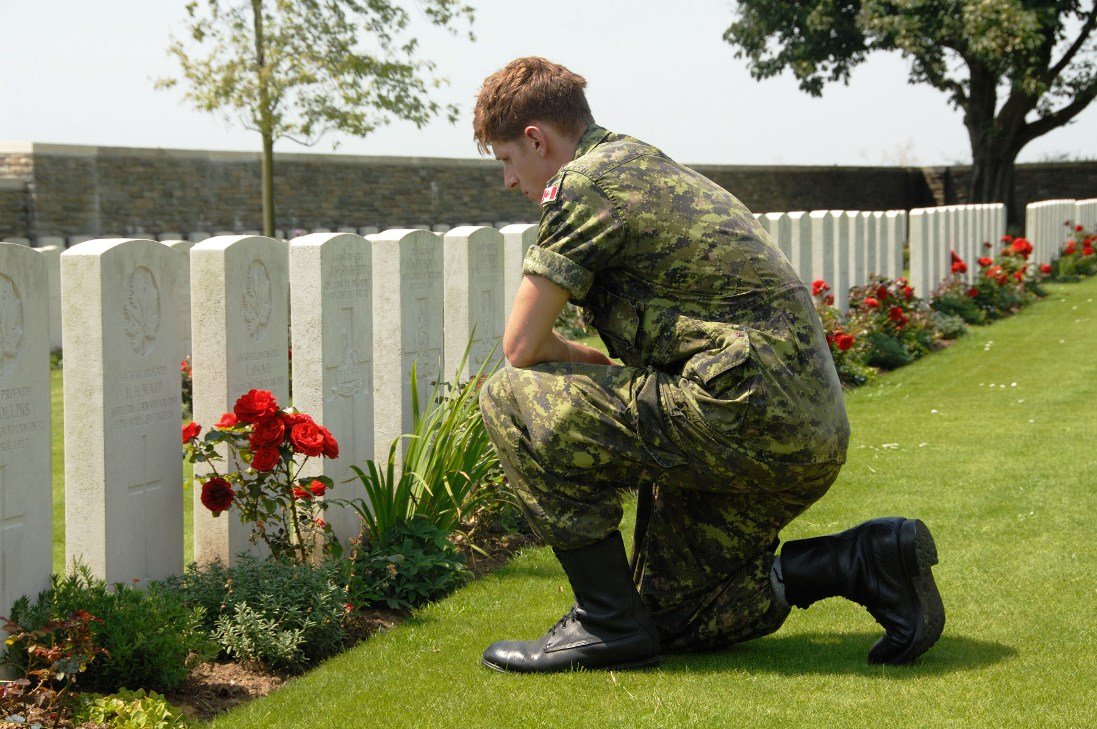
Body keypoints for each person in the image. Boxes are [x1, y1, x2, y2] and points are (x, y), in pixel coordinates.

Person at [473, 57, 944, 674]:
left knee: (512, 396)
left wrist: (579, 358)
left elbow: (521, 346)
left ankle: (604, 622)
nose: (510, 179)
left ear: (537, 138)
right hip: (799, 423)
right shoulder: (643, 164)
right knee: (671, 619)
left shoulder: (582, 184)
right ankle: (866, 560)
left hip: (741, 411)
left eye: (507, 158)